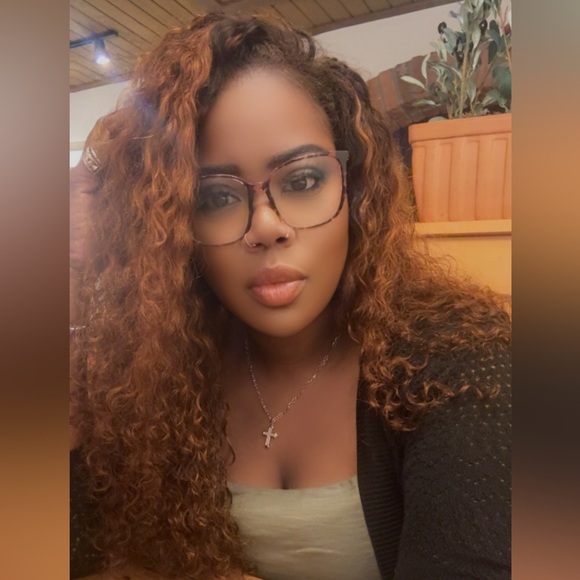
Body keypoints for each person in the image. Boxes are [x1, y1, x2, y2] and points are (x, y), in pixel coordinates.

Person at [70, 11, 511, 580]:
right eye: (214, 198)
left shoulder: (463, 365)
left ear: (355, 190)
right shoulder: (156, 371)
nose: (266, 226)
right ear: (174, 230)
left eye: (302, 181)